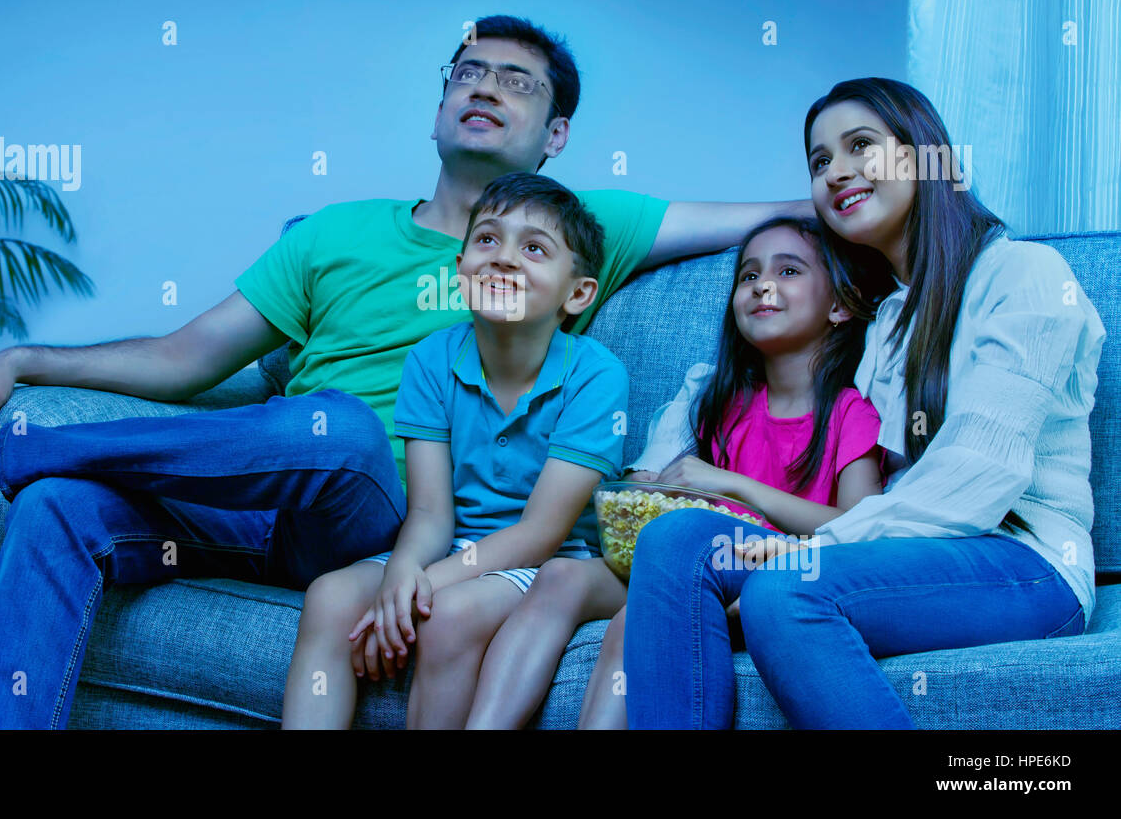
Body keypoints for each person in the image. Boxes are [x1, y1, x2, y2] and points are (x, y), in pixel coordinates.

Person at [0, 14, 809, 729]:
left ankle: (1, 448)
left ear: (554, 137)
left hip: (365, 501)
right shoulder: (333, 233)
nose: (482, 85)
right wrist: (28, 356)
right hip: (245, 498)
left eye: (515, 80)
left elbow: (768, 219)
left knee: (336, 426)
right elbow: (183, 359)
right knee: (56, 509)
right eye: (465, 71)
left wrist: (895, 198)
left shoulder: (577, 229)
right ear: (437, 107)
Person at [622, 77, 1106, 729]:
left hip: (1029, 565)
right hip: (904, 558)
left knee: (786, 593)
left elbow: (976, 480)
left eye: (860, 147)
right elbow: (770, 372)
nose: (836, 172)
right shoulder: (882, 324)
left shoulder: (1026, 276)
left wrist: (815, 549)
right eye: (820, 161)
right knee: (678, 538)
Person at [462, 215, 889, 729]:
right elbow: (671, 496)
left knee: (638, 619)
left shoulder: (852, 412)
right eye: (748, 276)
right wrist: (649, 490)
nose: (763, 286)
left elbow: (862, 526)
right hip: (688, 569)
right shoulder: (717, 403)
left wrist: (733, 484)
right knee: (558, 576)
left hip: (773, 580)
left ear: (839, 305)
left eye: (789, 272)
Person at [283, 173, 626, 729]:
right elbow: (428, 512)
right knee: (329, 596)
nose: (504, 259)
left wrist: (426, 585)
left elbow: (541, 533)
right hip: (453, 545)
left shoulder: (596, 376)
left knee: (447, 615)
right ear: (460, 266)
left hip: (547, 558)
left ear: (577, 293)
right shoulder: (430, 359)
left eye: (534, 248)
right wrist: (403, 571)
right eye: (487, 240)